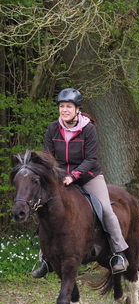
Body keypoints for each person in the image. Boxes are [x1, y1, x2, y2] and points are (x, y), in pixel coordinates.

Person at [31, 88, 129, 277]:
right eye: (61, 106)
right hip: (61, 177)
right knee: (46, 208)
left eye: (68, 106)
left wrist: (74, 175)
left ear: (77, 109)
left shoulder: (88, 129)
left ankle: (119, 253)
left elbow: (91, 158)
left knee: (106, 210)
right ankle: (45, 258)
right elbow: (48, 157)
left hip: (89, 176)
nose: (64, 110)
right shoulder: (53, 128)